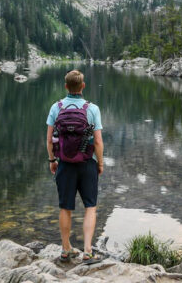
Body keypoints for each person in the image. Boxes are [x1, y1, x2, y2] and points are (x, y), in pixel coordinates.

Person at [46, 69, 104, 264]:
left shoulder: (57, 107)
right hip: (87, 164)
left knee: (65, 207)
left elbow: (49, 140)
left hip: (65, 165)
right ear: (83, 86)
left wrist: (52, 161)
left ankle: (66, 249)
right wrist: (100, 163)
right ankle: (88, 251)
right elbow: (97, 142)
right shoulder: (92, 109)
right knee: (90, 206)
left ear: (66, 86)